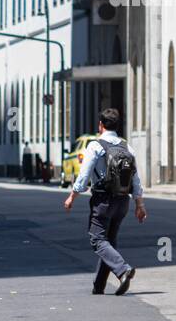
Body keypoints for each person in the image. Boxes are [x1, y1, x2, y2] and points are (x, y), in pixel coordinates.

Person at [62, 108, 147, 296]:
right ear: (118, 126)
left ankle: (123, 269)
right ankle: (99, 285)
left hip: (103, 201)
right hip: (122, 202)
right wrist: (139, 205)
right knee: (109, 241)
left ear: (100, 125)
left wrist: (72, 197)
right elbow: (135, 179)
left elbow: (83, 177)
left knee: (97, 239)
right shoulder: (128, 148)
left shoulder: (95, 146)